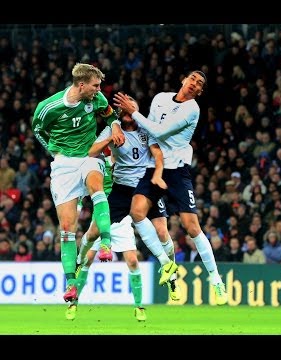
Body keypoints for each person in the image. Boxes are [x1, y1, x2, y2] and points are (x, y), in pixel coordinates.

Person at [113, 70, 227, 305]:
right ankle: (168, 265)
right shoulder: (160, 99)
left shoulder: (191, 109)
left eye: (199, 84)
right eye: (192, 79)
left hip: (177, 171)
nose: (194, 84)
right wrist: (157, 165)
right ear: (183, 79)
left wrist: (134, 111)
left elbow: (160, 131)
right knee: (137, 212)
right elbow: (151, 136)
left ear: (199, 92)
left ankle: (215, 279)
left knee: (191, 227)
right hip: (155, 167)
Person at [68, 100, 178, 322]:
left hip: (145, 186)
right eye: (125, 110)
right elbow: (90, 152)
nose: (128, 113)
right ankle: (78, 265)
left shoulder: (146, 128)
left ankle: (171, 273)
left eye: (132, 108)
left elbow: (158, 152)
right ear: (120, 113)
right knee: (95, 231)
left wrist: (158, 171)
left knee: (162, 231)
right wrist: (110, 138)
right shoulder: (113, 128)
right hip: (121, 189)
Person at [32, 63, 125, 303]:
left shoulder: (96, 98)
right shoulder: (49, 107)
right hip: (63, 165)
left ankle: (106, 243)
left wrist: (114, 124)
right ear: (81, 85)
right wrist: (53, 151)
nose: (99, 89)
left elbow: (109, 114)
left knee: (96, 186)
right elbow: (38, 130)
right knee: (66, 227)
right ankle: (71, 284)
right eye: (95, 85)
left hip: (88, 156)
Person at [66, 152, 147, 321]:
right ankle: (73, 303)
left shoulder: (126, 162)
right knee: (86, 260)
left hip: (121, 219)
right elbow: (84, 188)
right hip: (100, 217)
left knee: (132, 260)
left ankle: (139, 307)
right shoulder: (97, 163)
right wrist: (79, 207)